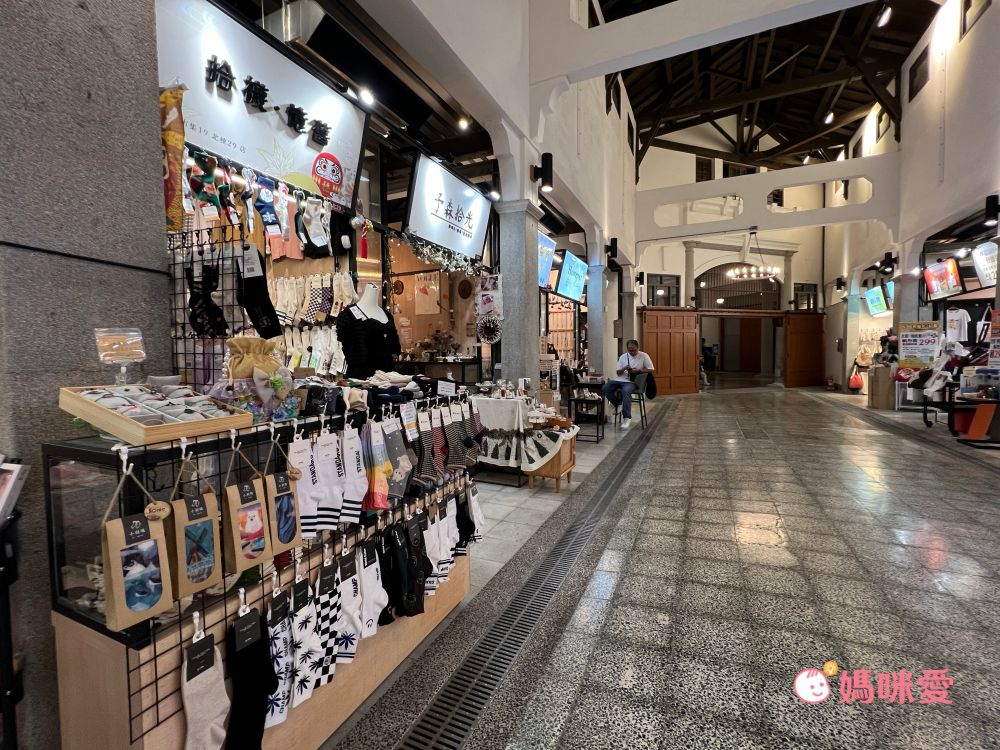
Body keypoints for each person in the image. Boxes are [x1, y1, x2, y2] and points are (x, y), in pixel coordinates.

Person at [602, 339, 654, 429]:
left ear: (638, 348)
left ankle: (627, 418)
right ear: (627, 349)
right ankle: (618, 404)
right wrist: (624, 368)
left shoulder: (644, 356)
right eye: (630, 350)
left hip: (632, 381)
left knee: (625, 391)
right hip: (620, 379)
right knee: (605, 388)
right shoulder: (623, 357)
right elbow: (618, 373)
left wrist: (638, 370)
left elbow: (651, 369)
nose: (632, 352)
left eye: (634, 350)